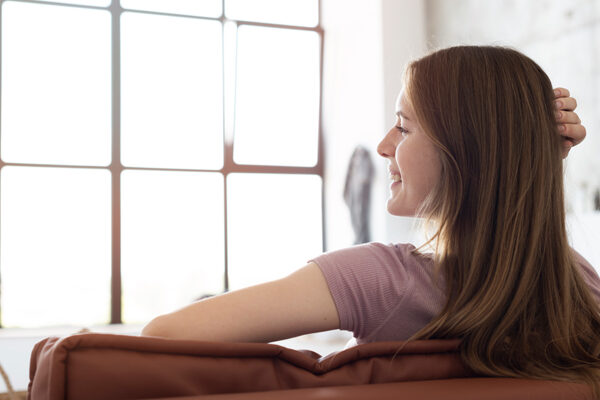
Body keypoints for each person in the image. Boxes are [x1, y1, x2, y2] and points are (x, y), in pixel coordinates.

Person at [142, 46, 598, 394]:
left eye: (403, 126)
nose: (383, 146)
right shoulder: (578, 288)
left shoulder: (379, 279)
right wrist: (524, 159)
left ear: (465, 150)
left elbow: (160, 337)